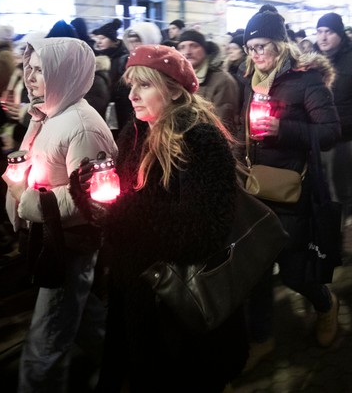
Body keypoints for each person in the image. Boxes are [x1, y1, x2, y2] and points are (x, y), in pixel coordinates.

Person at [69, 44, 247, 391]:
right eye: (131, 85)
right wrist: (88, 191)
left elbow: (204, 231)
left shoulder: (200, 138)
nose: (132, 95)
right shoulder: (135, 132)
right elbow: (117, 208)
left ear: (175, 88)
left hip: (177, 301)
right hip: (135, 288)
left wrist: (121, 210)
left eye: (145, 85)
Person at [4, 36, 117, 393]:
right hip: (47, 237)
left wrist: (26, 199)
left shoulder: (82, 125)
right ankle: (126, 363)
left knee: (46, 342)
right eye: (30, 68)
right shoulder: (47, 114)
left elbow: (91, 197)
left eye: (41, 70)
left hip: (68, 244)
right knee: (83, 318)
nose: (31, 77)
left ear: (65, 73)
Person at [239, 5, 341, 370]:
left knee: (296, 271)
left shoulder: (306, 81)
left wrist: (286, 131)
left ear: (281, 45)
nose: (256, 55)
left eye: (262, 46)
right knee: (257, 272)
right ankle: (261, 338)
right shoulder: (249, 80)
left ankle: (327, 305)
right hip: (255, 187)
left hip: (294, 189)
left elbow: (331, 132)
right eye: (250, 48)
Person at [314, 12, 352, 221]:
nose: (323, 37)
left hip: (343, 141)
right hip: (314, 139)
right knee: (317, 193)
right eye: (319, 32)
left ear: (339, 34)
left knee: (340, 195)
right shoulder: (311, 62)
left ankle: (336, 244)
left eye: (328, 32)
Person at [176, 29, 240, 128]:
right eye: (182, 47)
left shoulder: (222, 81)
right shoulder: (176, 79)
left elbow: (223, 124)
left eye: (194, 46)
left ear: (205, 50)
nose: (187, 52)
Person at [92, 19, 131, 135]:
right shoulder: (96, 58)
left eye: (103, 38)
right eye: (98, 38)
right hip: (103, 108)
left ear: (114, 41)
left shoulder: (123, 59)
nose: (99, 41)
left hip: (121, 109)